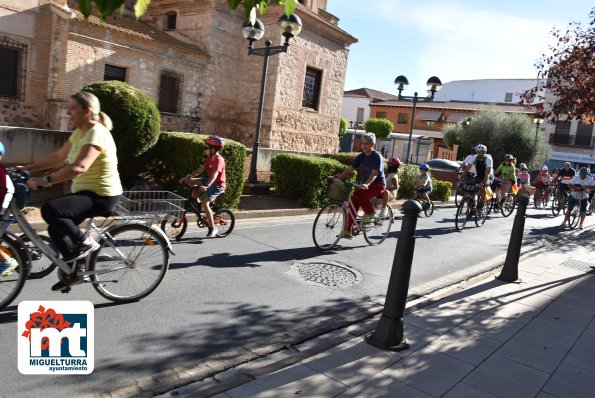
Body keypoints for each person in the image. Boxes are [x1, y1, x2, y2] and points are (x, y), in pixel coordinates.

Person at [24, 91, 122, 291]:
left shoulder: (97, 132)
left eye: (73, 108)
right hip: (86, 192)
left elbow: (79, 167)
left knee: (51, 210)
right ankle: (74, 272)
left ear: (88, 110)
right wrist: (27, 168)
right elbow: (58, 156)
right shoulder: (79, 132)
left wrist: (45, 180)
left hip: (102, 194)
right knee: (55, 228)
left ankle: (86, 242)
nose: (68, 112)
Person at [336, 132, 386, 239]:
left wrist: (367, 184)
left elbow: (375, 173)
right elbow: (350, 169)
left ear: (373, 144)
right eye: (362, 143)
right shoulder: (361, 156)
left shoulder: (377, 156)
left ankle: (370, 213)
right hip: (364, 184)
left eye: (367, 143)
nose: (363, 146)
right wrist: (339, 178)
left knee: (360, 196)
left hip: (378, 184)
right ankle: (348, 231)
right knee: (353, 202)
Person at [181, 135, 226, 237]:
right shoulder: (209, 159)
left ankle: (213, 229)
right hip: (209, 182)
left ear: (213, 149)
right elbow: (200, 170)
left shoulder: (219, 159)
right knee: (192, 182)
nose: (204, 149)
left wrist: (208, 185)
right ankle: (196, 205)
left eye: (206, 147)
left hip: (217, 185)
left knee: (206, 203)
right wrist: (187, 177)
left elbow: (215, 174)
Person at [0, 141, 19, 277]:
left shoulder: (2, 172)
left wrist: (1, 212)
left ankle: (7, 261)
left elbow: (7, 193)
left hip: (4, 211)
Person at [460, 144, 493, 208]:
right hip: (479, 175)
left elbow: (487, 173)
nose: (479, 153)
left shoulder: (488, 159)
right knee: (471, 188)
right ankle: (472, 206)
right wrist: (461, 177)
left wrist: (484, 183)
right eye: (477, 152)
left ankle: (482, 203)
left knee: (482, 187)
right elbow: (467, 169)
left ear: (484, 152)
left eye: (481, 152)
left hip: (488, 175)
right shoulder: (474, 158)